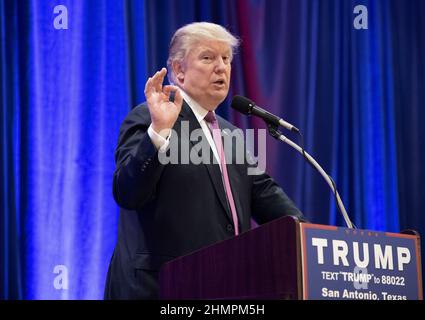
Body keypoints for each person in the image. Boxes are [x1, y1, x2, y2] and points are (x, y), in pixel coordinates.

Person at [104, 22, 305, 300]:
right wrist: (159, 132)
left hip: (224, 291)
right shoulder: (150, 118)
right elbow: (127, 192)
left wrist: (310, 239)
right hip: (160, 290)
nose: (221, 67)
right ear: (179, 70)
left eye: (226, 59)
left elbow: (268, 197)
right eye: (208, 57)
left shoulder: (231, 134)